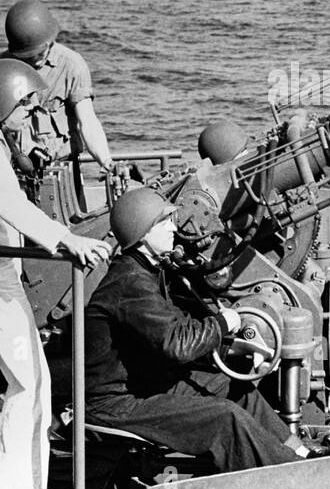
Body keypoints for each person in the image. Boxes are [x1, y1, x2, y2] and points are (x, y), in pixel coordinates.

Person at [0, 58, 112, 489]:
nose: (30, 113)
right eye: (24, 105)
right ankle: (8, 484)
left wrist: (18, 149)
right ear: (1, 104)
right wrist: (68, 240)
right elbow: (13, 206)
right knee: (30, 378)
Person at [83, 187, 306, 472]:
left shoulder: (148, 271)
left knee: (235, 388)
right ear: (142, 235)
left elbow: (178, 324)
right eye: (162, 223)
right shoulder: (130, 283)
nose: (172, 227)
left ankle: (302, 453)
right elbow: (178, 344)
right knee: (224, 419)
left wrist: (229, 345)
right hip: (115, 404)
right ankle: (296, 475)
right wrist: (224, 323)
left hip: (144, 384)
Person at [0, 0, 113, 173]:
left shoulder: (72, 65)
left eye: (39, 53)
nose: (35, 60)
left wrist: (107, 162)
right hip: (16, 171)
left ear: (50, 41)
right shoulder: (0, 67)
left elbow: (87, 121)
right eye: (28, 56)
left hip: (62, 169)